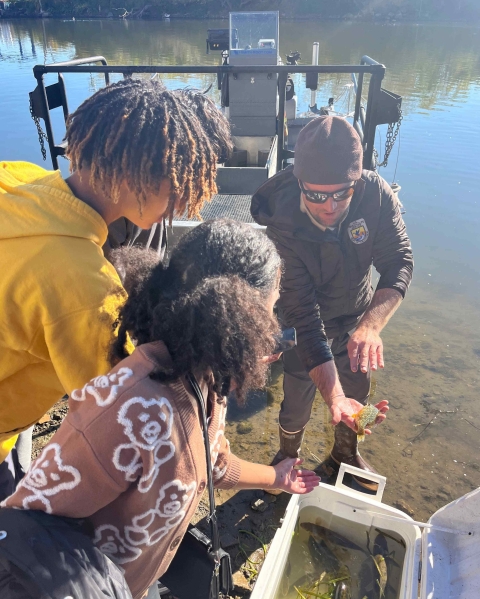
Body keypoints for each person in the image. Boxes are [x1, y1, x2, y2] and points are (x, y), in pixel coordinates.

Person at [2, 219, 320, 599]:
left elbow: (212, 461)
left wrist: (276, 477)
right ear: (236, 318)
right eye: (269, 316)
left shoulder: (207, 379)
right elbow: (23, 527)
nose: (272, 333)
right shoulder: (128, 410)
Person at [0, 78, 226, 499]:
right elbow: (126, 400)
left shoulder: (24, 180)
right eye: (176, 189)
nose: (179, 205)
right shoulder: (85, 289)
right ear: (135, 178)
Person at [251, 116, 413, 490]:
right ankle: (287, 456)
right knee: (296, 402)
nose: (330, 206)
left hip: (356, 316)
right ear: (299, 182)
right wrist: (333, 394)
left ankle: (347, 452)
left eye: (342, 193)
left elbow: (399, 262)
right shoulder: (282, 221)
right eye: (317, 195)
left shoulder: (376, 194)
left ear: (356, 180)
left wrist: (371, 326)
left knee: (362, 399)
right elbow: (303, 317)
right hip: (301, 325)